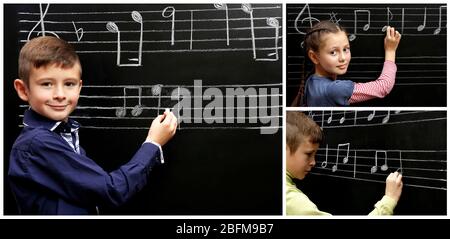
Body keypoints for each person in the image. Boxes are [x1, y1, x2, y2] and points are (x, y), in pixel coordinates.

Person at [8, 36, 178, 215]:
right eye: (47, 84)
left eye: (69, 84)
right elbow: (112, 191)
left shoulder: (63, 134)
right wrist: (152, 143)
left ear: (79, 87)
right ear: (23, 89)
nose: (59, 94)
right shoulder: (38, 144)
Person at [286, 111, 403, 215]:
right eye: (308, 154)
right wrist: (389, 200)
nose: (313, 162)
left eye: (314, 155)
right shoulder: (292, 200)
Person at [291, 20, 401, 106]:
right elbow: (383, 87)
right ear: (314, 57)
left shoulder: (310, 80)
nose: (343, 58)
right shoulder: (336, 89)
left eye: (345, 49)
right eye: (333, 52)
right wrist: (390, 50)